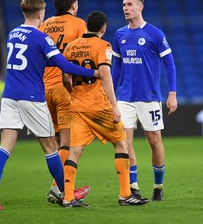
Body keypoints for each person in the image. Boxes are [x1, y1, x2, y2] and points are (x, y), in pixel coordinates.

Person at [0, 0, 99, 210]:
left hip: (9, 96)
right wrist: (95, 72)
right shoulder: (41, 38)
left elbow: (32, 59)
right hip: (32, 98)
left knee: (5, 147)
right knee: (50, 147)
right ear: (40, 14)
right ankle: (67, 194)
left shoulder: (13, 33)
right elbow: (65, 66)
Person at [61, 11, 149, 207]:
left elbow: (65, 78)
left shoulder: (70, 47)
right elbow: (105, 75)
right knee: (121, 143)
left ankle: (67, 196)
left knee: (74, 150)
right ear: (103, 28)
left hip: (77, 106)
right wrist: (115, 106)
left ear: (86, 27)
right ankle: (125, 194)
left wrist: (74, 92)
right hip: (99, 106)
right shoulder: (103, 46)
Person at [111, 0, 178, 201]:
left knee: (154, 141)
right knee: (125, 142)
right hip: (124, 98)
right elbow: (116, 67)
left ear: (140, 7)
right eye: (123, 4)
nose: (125, 8)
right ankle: (133, 186)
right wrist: (110, 94)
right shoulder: (119, 34)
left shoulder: (155, 34)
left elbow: (170, 64)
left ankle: (158, 186)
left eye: (129, 4)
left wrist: (172, 93)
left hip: (149, 97)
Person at [39, 0, 90, 204]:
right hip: (63, 88)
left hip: (43, 89)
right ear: (73, 5)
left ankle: (60, 187)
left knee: (59, 141)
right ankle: (60, 188)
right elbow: (83, 52)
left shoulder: (44, 24)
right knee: (68, 143)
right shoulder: (78, 24)